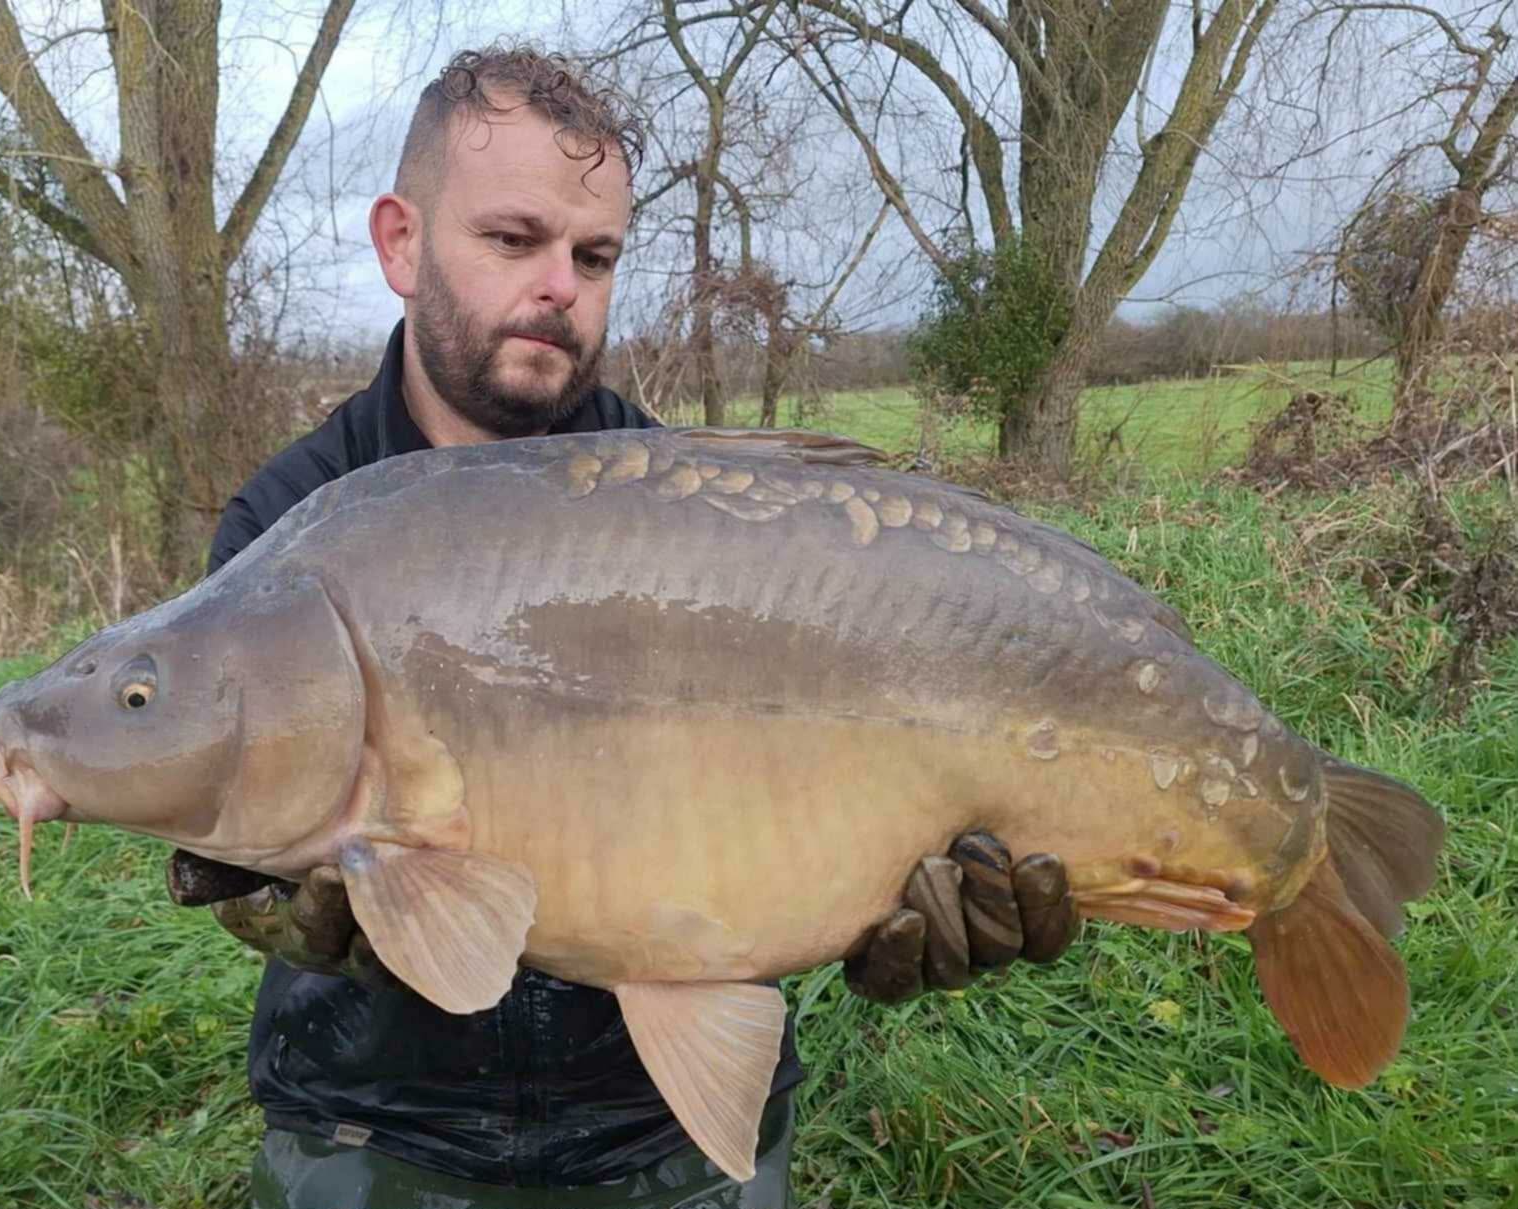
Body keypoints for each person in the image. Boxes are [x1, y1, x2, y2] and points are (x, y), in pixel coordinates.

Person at [166, 45, 1082, 1209]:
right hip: (376, 1118)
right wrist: (266, 897)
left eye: (591, 255)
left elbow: (826, 788)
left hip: (660, 1120)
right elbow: (214, 825)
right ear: (400, 241)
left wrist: (894, 890)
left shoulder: (701, 517)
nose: (558, 285)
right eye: (512, 240)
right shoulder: (287, 524)